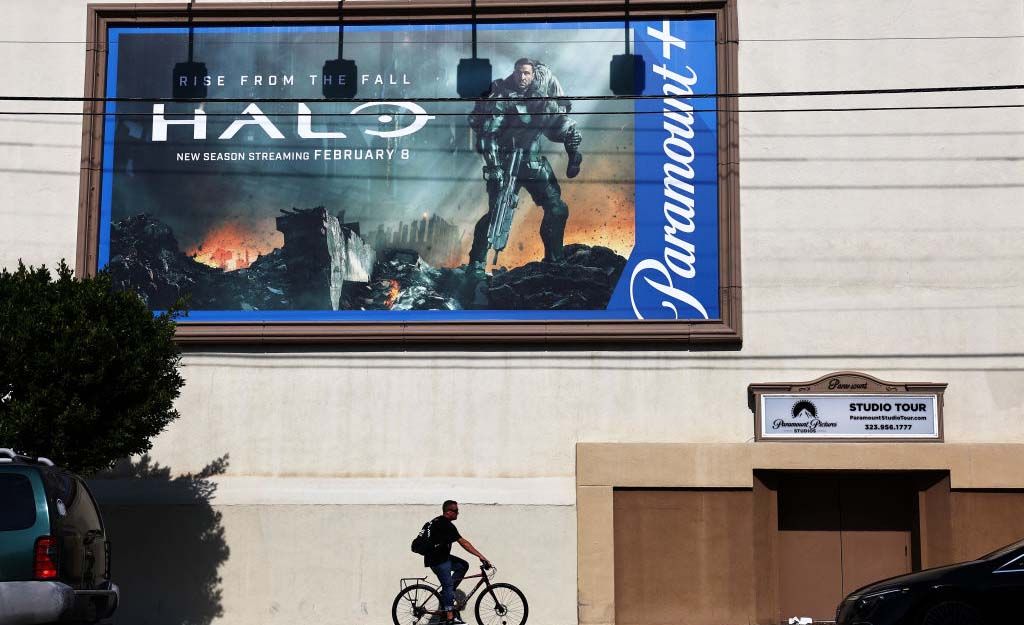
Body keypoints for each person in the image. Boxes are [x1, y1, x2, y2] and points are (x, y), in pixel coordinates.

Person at [467, 58, 583, 271]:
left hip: (532, 163)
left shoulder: (542, 98)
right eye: (520, 73)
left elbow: (557, 124)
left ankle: (555, 260)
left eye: (527, 73)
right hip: (504, 164)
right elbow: (487, 135)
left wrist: (572, 143)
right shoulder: (502, 97)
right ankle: (476, 263)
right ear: (515, 72)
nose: (523, 77)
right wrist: (494, 167)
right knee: (495, 214)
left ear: (533, 75)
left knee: (557, 209)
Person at [424, 500, 490, 625]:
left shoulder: (440, 522)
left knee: (462, 565)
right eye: (456, 511)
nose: (458, 513)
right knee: (448, 585)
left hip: (442, 557)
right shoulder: (445, 524)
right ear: (448, 512)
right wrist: (481, 556)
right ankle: (450, 617)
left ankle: (446, 595)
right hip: (437, 560)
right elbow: (463, 543)